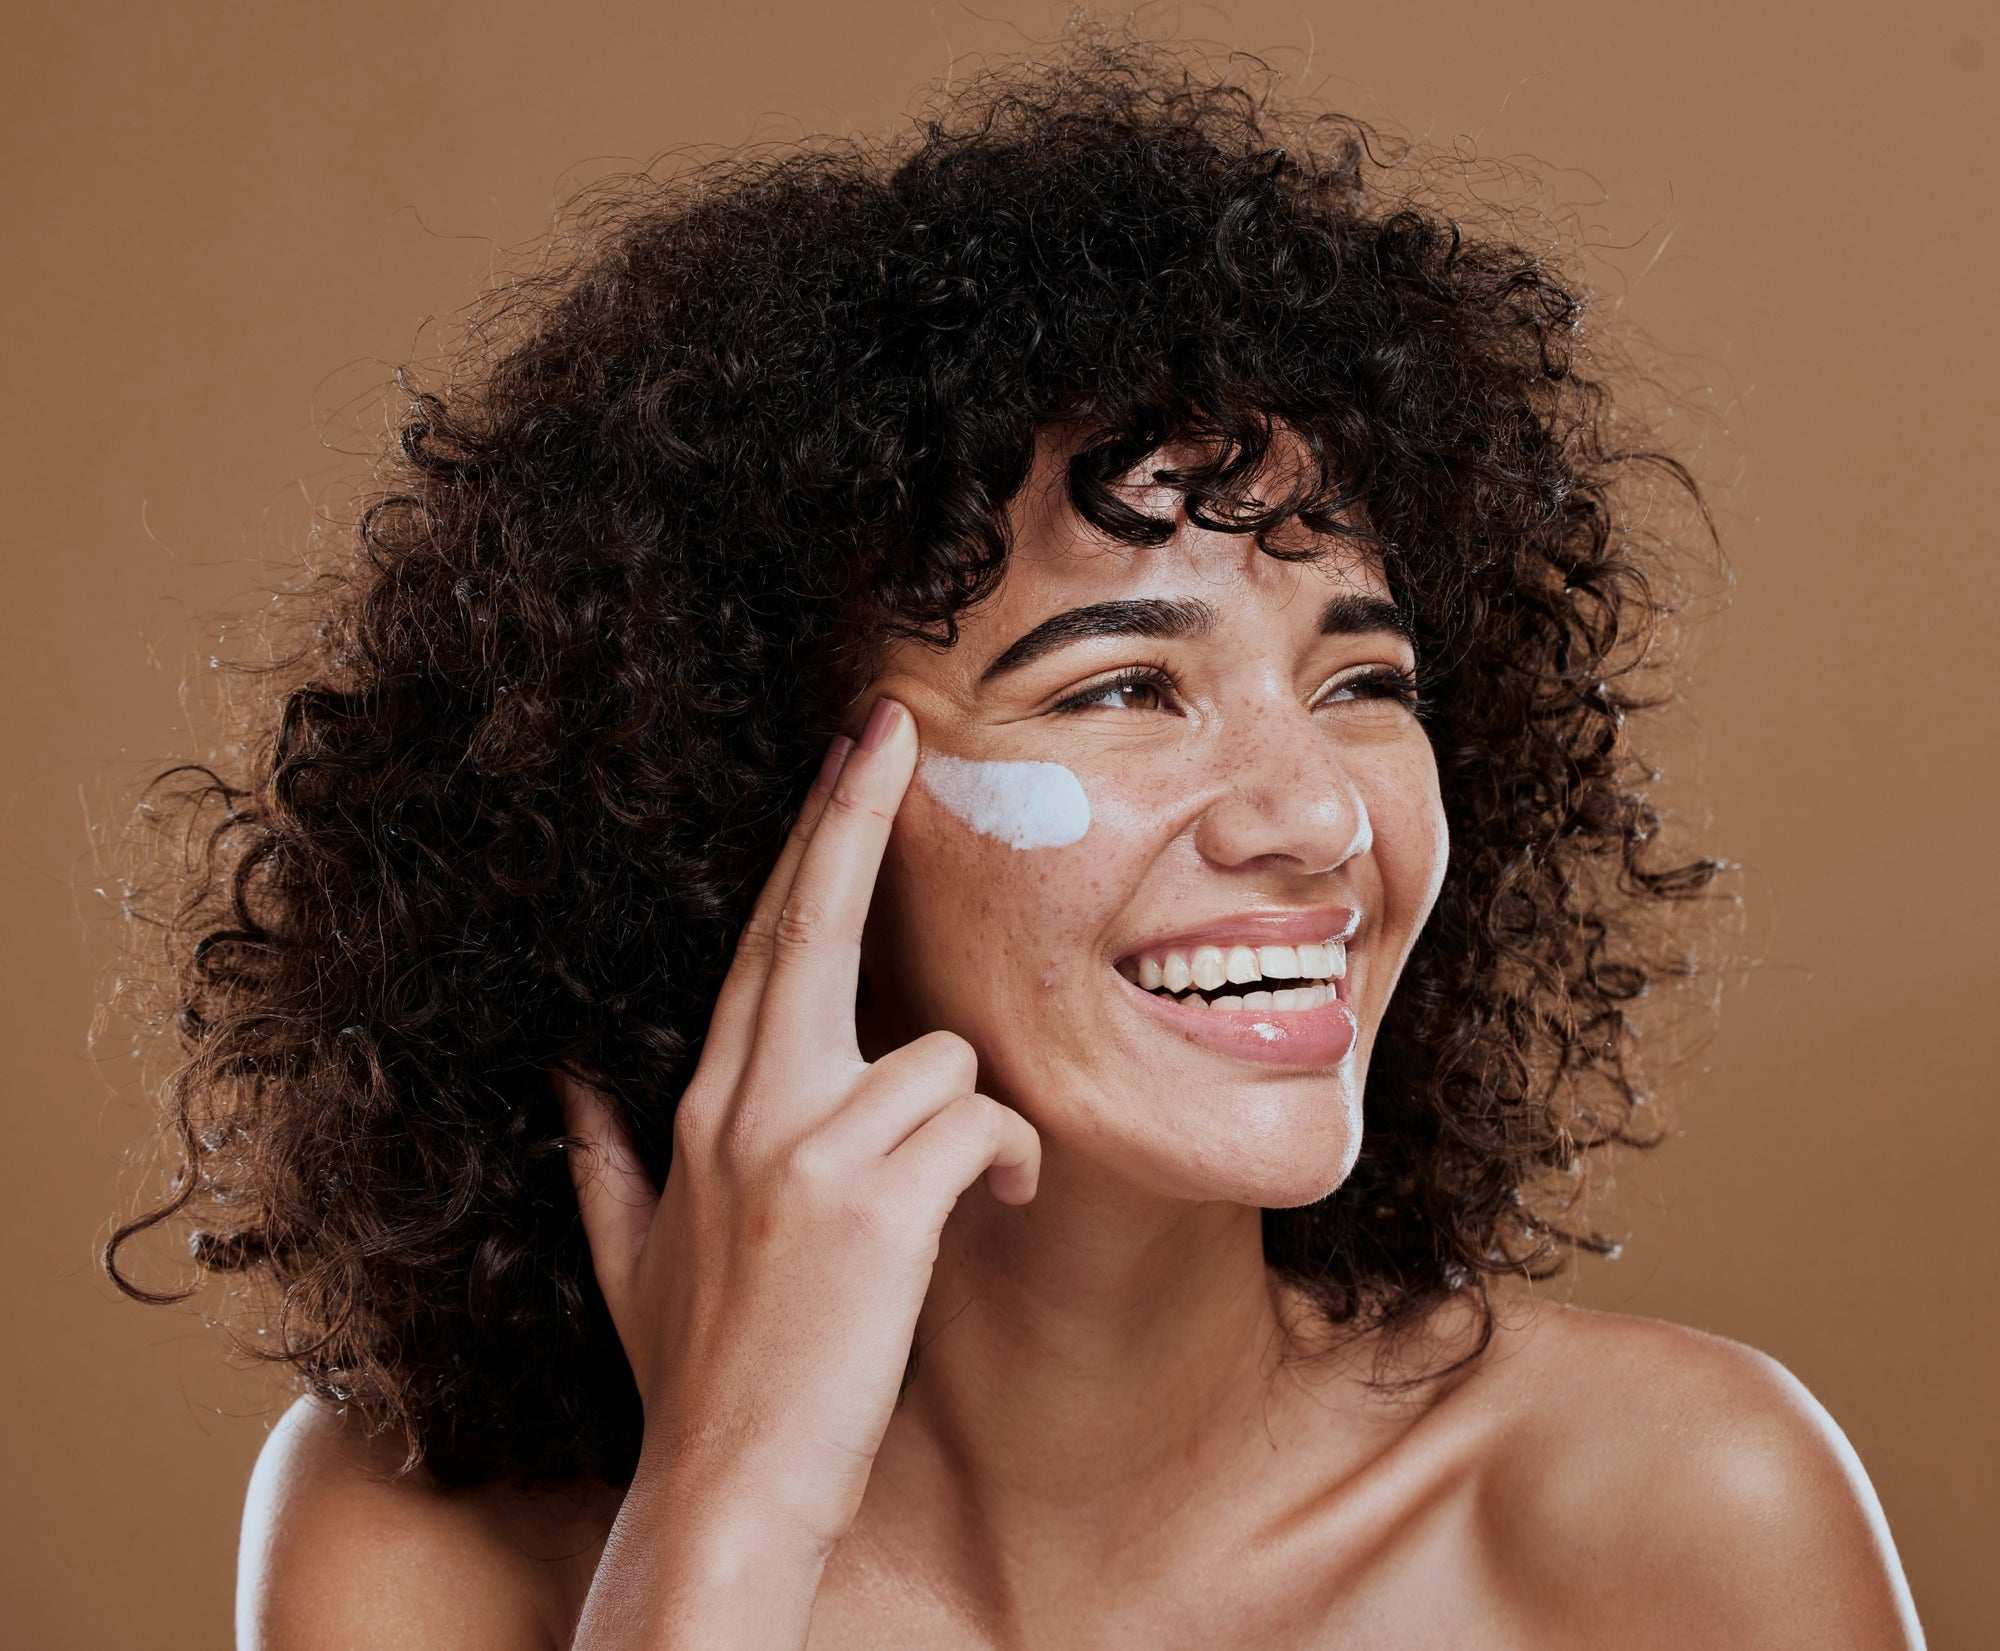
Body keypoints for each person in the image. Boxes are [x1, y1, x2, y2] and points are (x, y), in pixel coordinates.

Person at [106, 24, 1924, 1648]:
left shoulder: (1673, 1517)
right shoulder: (422, 1535)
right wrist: (722, 1518)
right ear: (736, 801)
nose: (1311, 819)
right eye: (1122, 689)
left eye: (1363, 680)